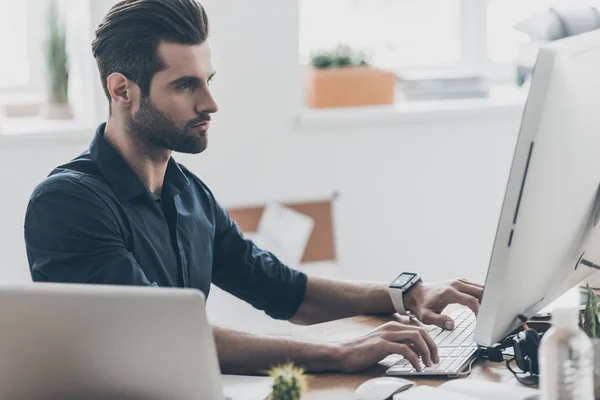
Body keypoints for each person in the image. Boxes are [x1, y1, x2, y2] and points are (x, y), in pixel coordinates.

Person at [24, 0, 483, 375]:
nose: (210, 103)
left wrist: (404, 295)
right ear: (122, 90)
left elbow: (283, 290)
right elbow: (162, 338)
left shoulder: (187, 192)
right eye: (185, 85)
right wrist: (339, 353)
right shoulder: (68, 203)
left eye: (208, 80)